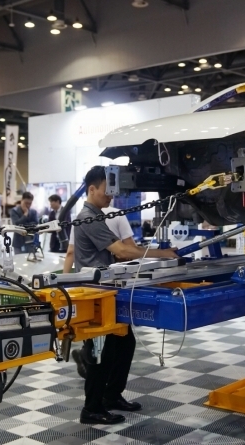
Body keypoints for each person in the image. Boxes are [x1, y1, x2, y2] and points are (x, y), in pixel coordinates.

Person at [74, 165, 177, 425]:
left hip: (108, 290)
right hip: (95, 294)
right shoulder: (88, 217)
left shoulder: (97, 215)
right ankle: (91, 408)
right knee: (101, 351)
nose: (111, 196)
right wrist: (161, 254)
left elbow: (120, 251)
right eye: (106, 191)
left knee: (124, 343)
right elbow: (121, 250)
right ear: (92, 189)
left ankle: (111, 395)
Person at [63, 205, 137, 379]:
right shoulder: (117, 214)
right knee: (116, 342)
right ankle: (101, 391)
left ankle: (87, 359)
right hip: (111, 287)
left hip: (87, 288)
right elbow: (129, 248)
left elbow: (71, 252)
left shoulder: (80, 217)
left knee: (99, 338)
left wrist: (64, 284)